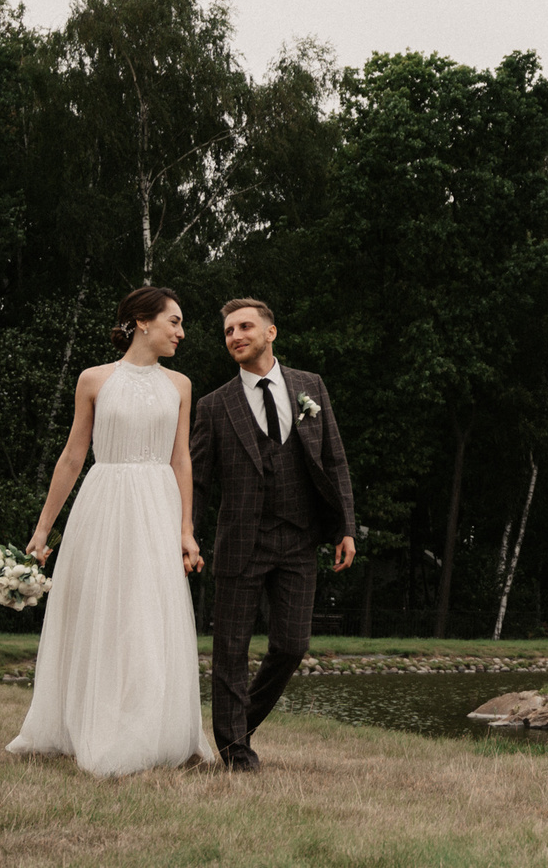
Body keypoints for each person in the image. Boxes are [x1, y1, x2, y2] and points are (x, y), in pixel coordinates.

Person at [8, 286, 217, 775]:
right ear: (143, 322)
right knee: (101, 610)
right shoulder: (94, 379)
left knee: (150, 614)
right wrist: (43, 529)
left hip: (157, 505)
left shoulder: (181, 385)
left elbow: (181, 458)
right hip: (104, 503)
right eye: (175, 322)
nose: (181, 333)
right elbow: (73, 455)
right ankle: (91, 724)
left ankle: (152, 731)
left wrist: (186, 529)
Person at [191, 297, 356, 772]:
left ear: (270, 333)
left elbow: (334, 460)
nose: (235, 336)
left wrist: (346, 526)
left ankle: (237, 728)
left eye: (244, 327)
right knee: (230, 652)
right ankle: (235, 753)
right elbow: (199, 479)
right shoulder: (213, 405)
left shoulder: (311, 388)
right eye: (228, 331)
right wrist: (190, 536)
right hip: (242, 541)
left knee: (290, 645)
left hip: (300, 539)